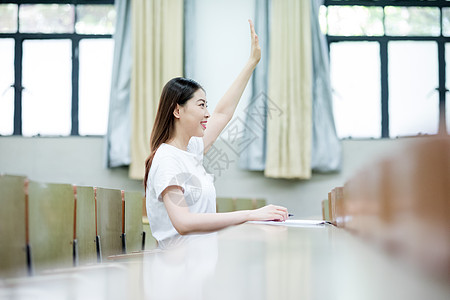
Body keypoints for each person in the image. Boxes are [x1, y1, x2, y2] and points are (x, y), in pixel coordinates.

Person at [144, 20, 289, 246]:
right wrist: (250, 214)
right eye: (201, 105)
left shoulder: (190, 149)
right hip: (178, 271)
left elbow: (223, 113)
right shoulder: (167, 160)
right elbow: (184, 223)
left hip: (199, 265)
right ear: (177, 110)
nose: (208, 113)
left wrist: (251, 63)